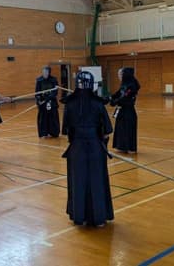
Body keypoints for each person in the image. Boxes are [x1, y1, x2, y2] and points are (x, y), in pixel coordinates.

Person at [62, 71, 114, 228]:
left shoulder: (70, 104)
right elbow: (107, 130)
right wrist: (101, 142)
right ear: (92, 85)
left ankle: (80, 217)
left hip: (77, 149)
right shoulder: (98, 103)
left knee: (78, 181)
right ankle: (99, 218)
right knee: (97, 181)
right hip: (95, 147)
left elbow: (67, 131)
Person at [109, 66, 140, 154]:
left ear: (125, 75)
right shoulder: (124, 84)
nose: (118, 76)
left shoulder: (131, 86)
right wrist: (109, 98)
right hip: (122, 111)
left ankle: (130, 147)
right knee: (121, 129)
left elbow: (124, 98)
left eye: (120, 74)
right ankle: (122, 147)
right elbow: (118, 93)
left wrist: (114, 102)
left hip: (128, 112)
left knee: (128, 129)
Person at [36, 66, 60, 139]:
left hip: (51, 101)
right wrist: (38, 100)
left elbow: (55, 92)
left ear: (49, 72)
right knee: (43, 118)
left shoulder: (54, 80)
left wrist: (48, 99)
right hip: (42, 103)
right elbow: (37, 92)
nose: (45, 74)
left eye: (46, 72)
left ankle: (53, 133)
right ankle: (43, 133)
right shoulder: (39, 80)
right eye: (43, 72)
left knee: (52, 118)